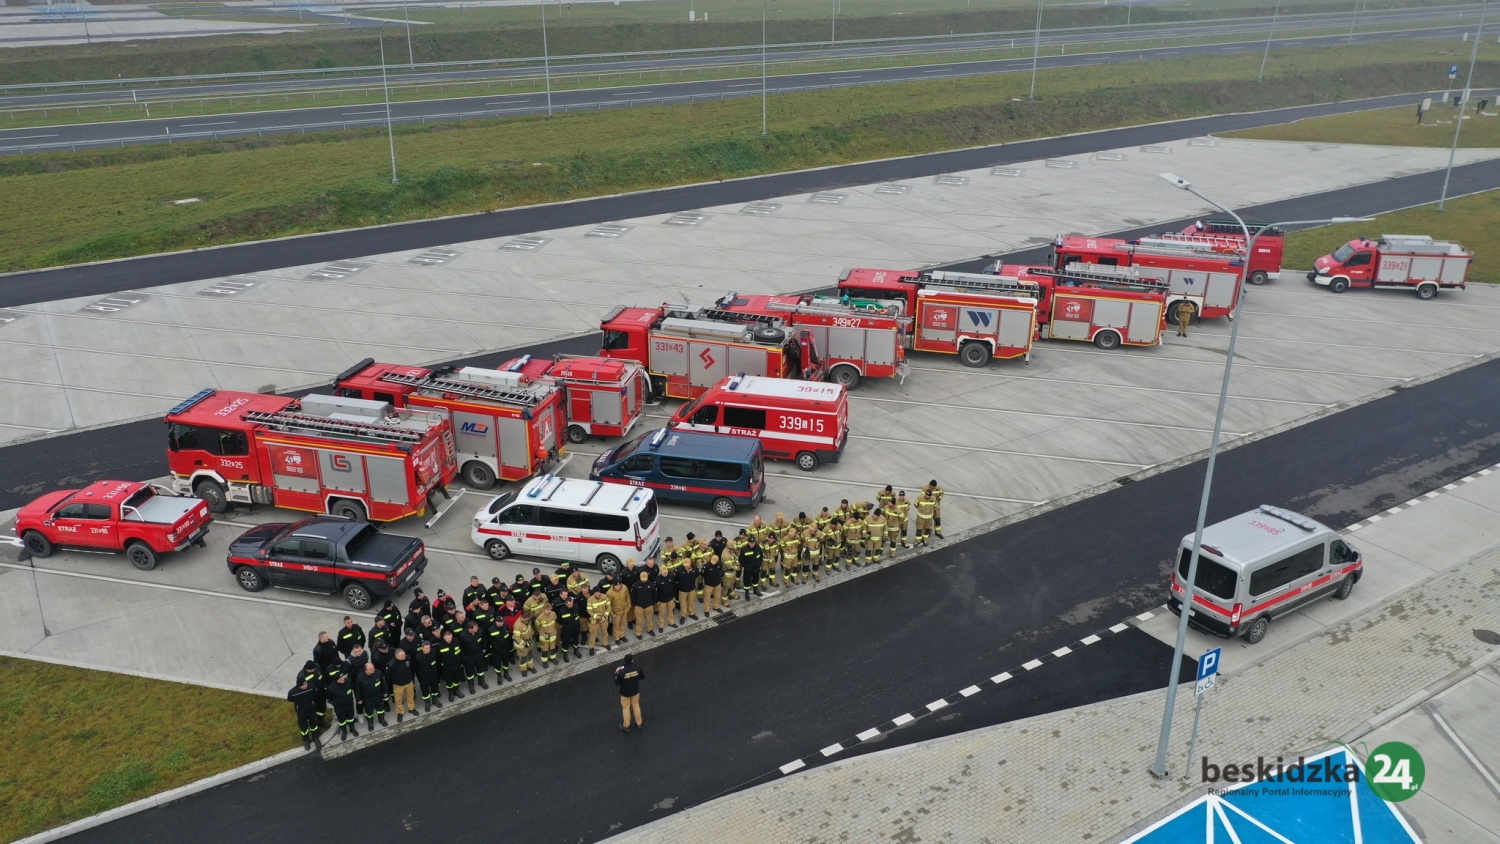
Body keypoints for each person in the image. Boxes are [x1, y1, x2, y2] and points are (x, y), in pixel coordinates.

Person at [287, 678, 322, 751]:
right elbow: (290, 699)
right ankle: (306, 740)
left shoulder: (311, 687)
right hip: (301, 711)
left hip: (311, 709)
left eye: (306, 683)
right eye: (304, 684)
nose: (306, 685)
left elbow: (315, 694)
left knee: (314, 724)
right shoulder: (293, 692)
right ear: (299, 685)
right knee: (303, 726)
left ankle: (315, 738)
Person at [614, 654, 645, 734]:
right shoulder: (638, 667)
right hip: (635, 691)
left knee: (626, 708)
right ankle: (639, 723)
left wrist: (616, 673)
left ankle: (626, 725)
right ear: (632, 660)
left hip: (625, 693)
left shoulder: (620, 670)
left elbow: (616, 683)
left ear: (624, 661)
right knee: (636, 705)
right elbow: (642, 677)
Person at [355, 662, 389, 733]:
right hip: (367, 698)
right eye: (371, 669)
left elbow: (384, 682)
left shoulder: (378, 673)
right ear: (366, 670)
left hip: (378, 695)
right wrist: (359, 699)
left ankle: (381, 719)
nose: (373, 670)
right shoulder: (360, 678)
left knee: (380, 709)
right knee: (369, 711)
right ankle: (370, 723)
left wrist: (385, 691)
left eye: (373, 668)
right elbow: (357, 690)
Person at [327, 665, 358, 740]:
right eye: (340, 678)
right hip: (339, 707)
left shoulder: (348, 681)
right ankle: (344, 731)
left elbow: (351, 689)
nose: (343, 679)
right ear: (336, 680)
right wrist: (336, 704)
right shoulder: (331, 688)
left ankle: (352, 728)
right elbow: (329, 698)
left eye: (343, 677)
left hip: (349, 704)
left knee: (350, 717)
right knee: (342, 720)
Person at [387, 648, 417, 723]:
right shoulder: (391, 664)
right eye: (402, 655)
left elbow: (412, 667)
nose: (404, 656)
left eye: (404, 654)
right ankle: (400, 712)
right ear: (396, 656)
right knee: (398, 700)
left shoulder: (408, 658)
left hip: (409, 682)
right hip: (398, 685)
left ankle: (411, 708)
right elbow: (388, 675)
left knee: (410, 696)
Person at [460, 621, 488, 692]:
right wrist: (464, 657)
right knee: (470, 672)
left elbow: (484, 639)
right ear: (470, 629)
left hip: (479, 654)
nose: (477, 629)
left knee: (480, 670)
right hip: (469, 657)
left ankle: (481, 681)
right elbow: (461, 647)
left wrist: (484, 648)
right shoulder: (463, 635)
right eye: (475, 628)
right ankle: (471, 685)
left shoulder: (480, 631)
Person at [414, 640, 442, 711]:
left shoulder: (433, 652)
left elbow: (437, 661)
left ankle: (435, 699)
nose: (428, 649)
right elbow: (416, 667)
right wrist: (420, 677)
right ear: (422, 648)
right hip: (424, 676)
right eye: (426, 648)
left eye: (429, 647)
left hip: (433, 674)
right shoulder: (418, 656)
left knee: (435, 687)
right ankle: (427, 702)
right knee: (425, 690)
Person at [439, 630, 466, 702]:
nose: (449, 639)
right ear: (444, 637)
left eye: (450, 637)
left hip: (457, 665)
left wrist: (461, 661)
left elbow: (460, 651)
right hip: (448, 667)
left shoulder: (456, 641)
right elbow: (439, 657)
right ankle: (450, 692)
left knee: (457, 678)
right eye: (447, 638)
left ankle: (456, 690)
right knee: (449, 681)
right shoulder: (440, 646)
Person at [557, 594, 583, 662]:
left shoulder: (576, 607)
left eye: (572, 603)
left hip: (576, 627)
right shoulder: (562, 611)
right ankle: (565, 653)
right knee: (566, 641)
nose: (571, 605)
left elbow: (578, 615)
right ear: (565, 604)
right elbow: (559, 621)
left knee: (576, 640)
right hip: (567, 629)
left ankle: (576, 650)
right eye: (569, 604)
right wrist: (565, 626)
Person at [587, 587, 612, 655]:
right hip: (595, 620)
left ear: (600, 592)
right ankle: (591, 647)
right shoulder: (590, 600)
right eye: (595, 592)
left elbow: (608, 606)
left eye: (598, 592)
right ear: (593, 593)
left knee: (605, 632)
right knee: (593, 634)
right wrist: (599, 618)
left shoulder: (604, 597)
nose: (597, 594)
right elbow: (590, 612)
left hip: (604, 618)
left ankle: (605, 643)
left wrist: (605, 616)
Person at [534, 603, 561, 668]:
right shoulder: (540, 618)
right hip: (544, 637)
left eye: (549, 609)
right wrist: (541, 631)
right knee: (545, 650)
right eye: (547, 610)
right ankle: (544, 661)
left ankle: (552, 658)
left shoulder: (553, 614)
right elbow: (537, 626)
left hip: (552, 635)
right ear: (543, 609)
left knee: (553, 648)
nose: (548, 611)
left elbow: (555, 621)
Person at [608, 577, 632, 645]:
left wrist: (628, 606)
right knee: (616, 626)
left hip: (624, 610)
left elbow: (627, 597)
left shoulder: (624, 588)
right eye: (616, 585)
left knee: (623, 624)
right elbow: (608, 605)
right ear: (613, 586)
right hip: (616, 613)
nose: (618, 587)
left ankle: (622, 635)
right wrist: (612, 613)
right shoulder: (609, 593)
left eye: (619, 585)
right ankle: (617, 638)